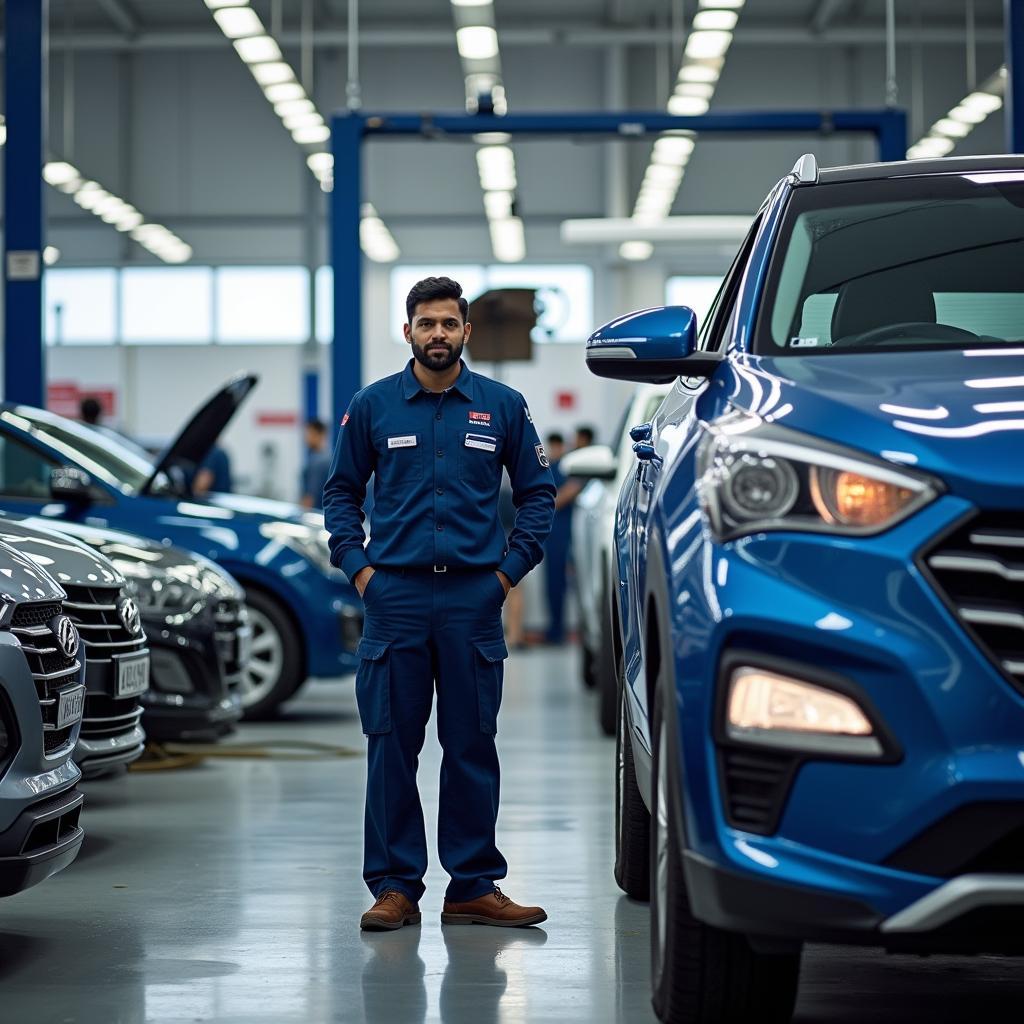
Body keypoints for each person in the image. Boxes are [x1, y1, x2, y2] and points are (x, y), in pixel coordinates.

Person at [324, 276, 555, 933]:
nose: (437, 335)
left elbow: (539, 493)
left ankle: (473, 885)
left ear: (465, 333)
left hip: (472, 598)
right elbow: (339, 492)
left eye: (448, 324)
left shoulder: (503, 407)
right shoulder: (372, 407)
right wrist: (360, 570)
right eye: (426, 324)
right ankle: (395, 886)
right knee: (391, 745)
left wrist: (507, 575)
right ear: (408, 332)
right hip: (392, 596)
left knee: (472, 744)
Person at [542, 433, 583, 645]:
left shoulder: (566, 467)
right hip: (551, 534)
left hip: (564, 534)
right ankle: (554, 628)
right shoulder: (549, 467)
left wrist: (546, 504)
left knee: (562, 583)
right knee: (552, 583)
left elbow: (571, 490)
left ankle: (560, 630)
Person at [300, 418, 332, 510]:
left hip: (315, 516)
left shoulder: (317, 462)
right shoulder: (329, 458)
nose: (306, 438)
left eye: (309, 434)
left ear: (320, 435)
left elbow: (310, 497)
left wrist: (302, 515)